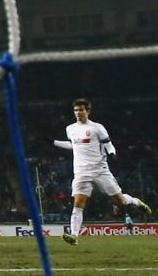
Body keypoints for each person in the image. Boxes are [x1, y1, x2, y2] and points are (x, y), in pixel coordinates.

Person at [51, 98, 151, 246]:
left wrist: (112, 154)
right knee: (78, 203)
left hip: (100, 170)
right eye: (76, 110)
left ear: (88, 111)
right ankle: (74, 235)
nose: (78, 113)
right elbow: (74, 145)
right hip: (81, 172)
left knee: (120, 201)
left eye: (81, 110)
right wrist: (53, 142)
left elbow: (108, 145)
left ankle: (135, 201)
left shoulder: (97, 128)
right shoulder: (70, 129)